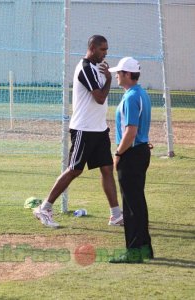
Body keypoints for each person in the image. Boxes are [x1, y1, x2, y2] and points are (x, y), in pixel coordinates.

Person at [33, 35, 123, 228]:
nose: (105, 53)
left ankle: (116, 215)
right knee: (74, 169)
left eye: (106, 50)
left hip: (99, 129)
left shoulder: (98, 68)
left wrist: (106, 76)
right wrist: (108, 80)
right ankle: (44, 207)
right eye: (102, 50)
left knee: (107, 169)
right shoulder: (85, 68)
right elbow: (99, 97)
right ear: (92, 47)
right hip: (84, 129)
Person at [108, 57, 154, 263]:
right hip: (141, 151)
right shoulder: (141, 93)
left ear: (127, 74)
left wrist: (118, 154)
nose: (116, 75)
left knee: (131, 205)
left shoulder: (129, 98)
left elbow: (131, 132)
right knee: (138, 202)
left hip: (132, 153)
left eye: (119, 72)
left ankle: (134, 251)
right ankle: (144, 248)